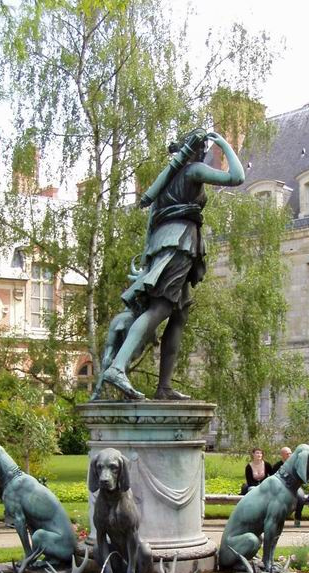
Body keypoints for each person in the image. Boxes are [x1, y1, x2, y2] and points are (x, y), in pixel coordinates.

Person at [100, 128, 245, 401]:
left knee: (178, 313)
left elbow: (150, 223)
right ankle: (118, 367)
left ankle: (163, 386)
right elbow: (237, 177)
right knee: (163, 307)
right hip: (178, 241)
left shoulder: (168, 178)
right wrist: (224, 143)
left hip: (171, 242)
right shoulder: (192, 171)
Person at [272, 446, 305, 527]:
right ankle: (277, 520)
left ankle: (297, 518)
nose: (290, 455)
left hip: (295, 487)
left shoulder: (296, 465)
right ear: (282, 455)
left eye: (291, 453)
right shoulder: (277, 466)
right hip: (281, 488)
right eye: (287, 454)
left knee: (301, 498)